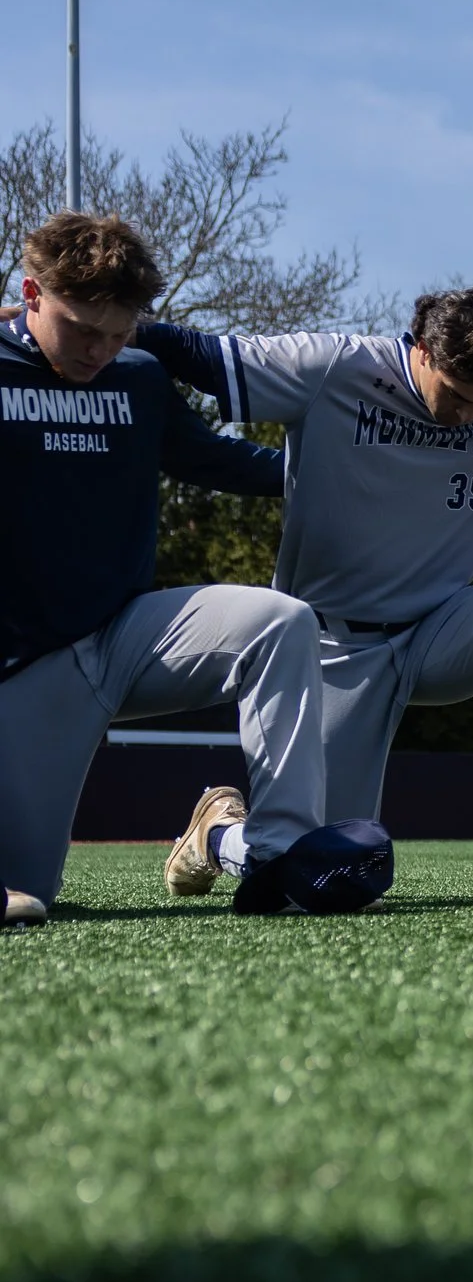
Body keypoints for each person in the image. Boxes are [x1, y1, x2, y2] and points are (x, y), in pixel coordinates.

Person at [126, 286, 473, 903]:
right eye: (456, 396)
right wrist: (37, 321)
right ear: (420, 348)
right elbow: (197, 354)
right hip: (334, 646)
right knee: (316, 871)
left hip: (439, 632)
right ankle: (217, 836)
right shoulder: (334, 365)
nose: (469, 416)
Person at [0, 210, 326, 918]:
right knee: (28, 895)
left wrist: (346, 476)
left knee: (281, 622)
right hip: (24, 662)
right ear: (30, 295)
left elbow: (224, 462)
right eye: (83, 328)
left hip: (125, 636)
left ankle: (280, 859)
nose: (99, 350)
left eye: (118, 334)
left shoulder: (140, 377)